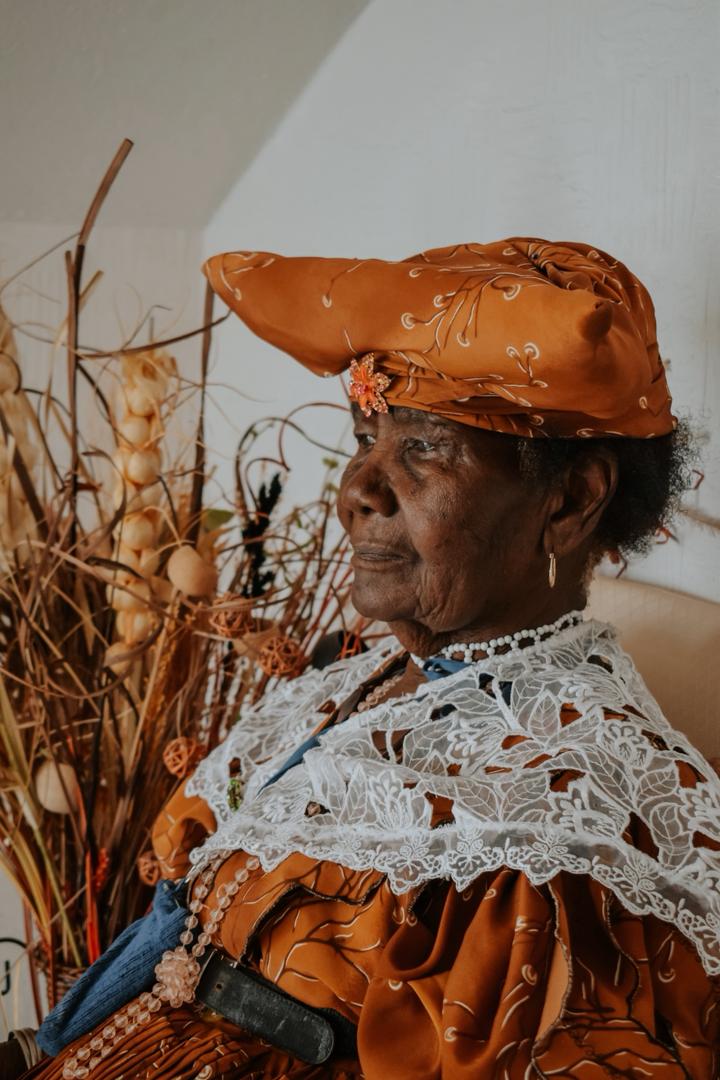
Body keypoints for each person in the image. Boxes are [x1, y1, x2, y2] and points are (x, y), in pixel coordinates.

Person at [16, 240, 720, 1078]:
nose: (357, 489)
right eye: (366, 436)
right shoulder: (351, 683)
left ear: (570, 500)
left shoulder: (572, 813)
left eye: (426, 448)